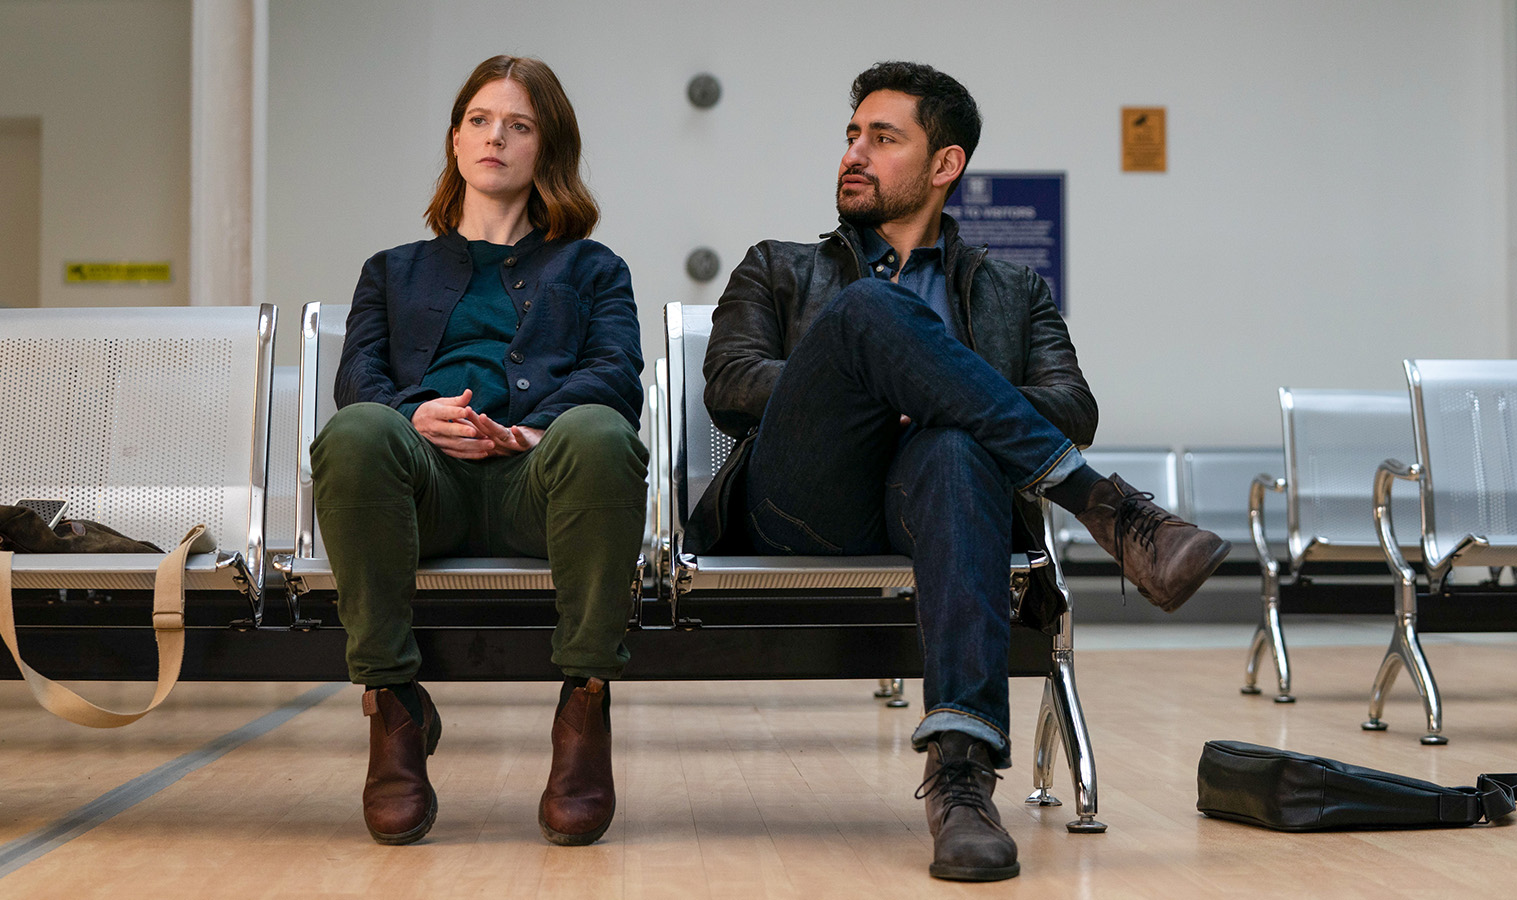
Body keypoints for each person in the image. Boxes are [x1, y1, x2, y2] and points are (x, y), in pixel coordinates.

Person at [695, 61, 1230, 882]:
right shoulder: (779, 266)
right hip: (803, 500)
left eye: (883, 138)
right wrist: (872, 379)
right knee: (870, 315)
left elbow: (1072, 404)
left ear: (945, 165)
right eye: (850, 136)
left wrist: (940, 396)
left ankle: (963, 779)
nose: (854, 154)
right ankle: (1109, 509)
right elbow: (729, 384)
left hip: (939, 505)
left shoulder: (1015, 289)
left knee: (952, 448)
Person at [311, 55, 646, 848]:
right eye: (479, 120)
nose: (496, 136)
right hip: (424, 489)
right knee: (357, 432)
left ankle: (585, 705)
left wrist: (528, 431)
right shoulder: (390, 272)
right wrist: (414, 415)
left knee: (601, 433)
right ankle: (392, 705)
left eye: (519, 125)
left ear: (545, 151)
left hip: (540, 485)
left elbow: (615, 377)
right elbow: (357, 378)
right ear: (456, 140)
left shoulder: (594, 269)